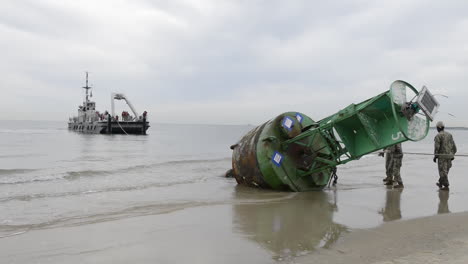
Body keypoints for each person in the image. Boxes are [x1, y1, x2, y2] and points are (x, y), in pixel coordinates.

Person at [433, 121, 457, 190]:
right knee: (445, 171)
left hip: (442, 157)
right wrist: (452, 155)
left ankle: (446, 186)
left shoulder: (438, 136)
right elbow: (454, 147)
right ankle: (440, 183)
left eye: (437, 128)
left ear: (438, 128)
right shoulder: (449, 135)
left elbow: (437, 147)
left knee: (442, 172)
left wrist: (435, 156)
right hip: (449, 156)